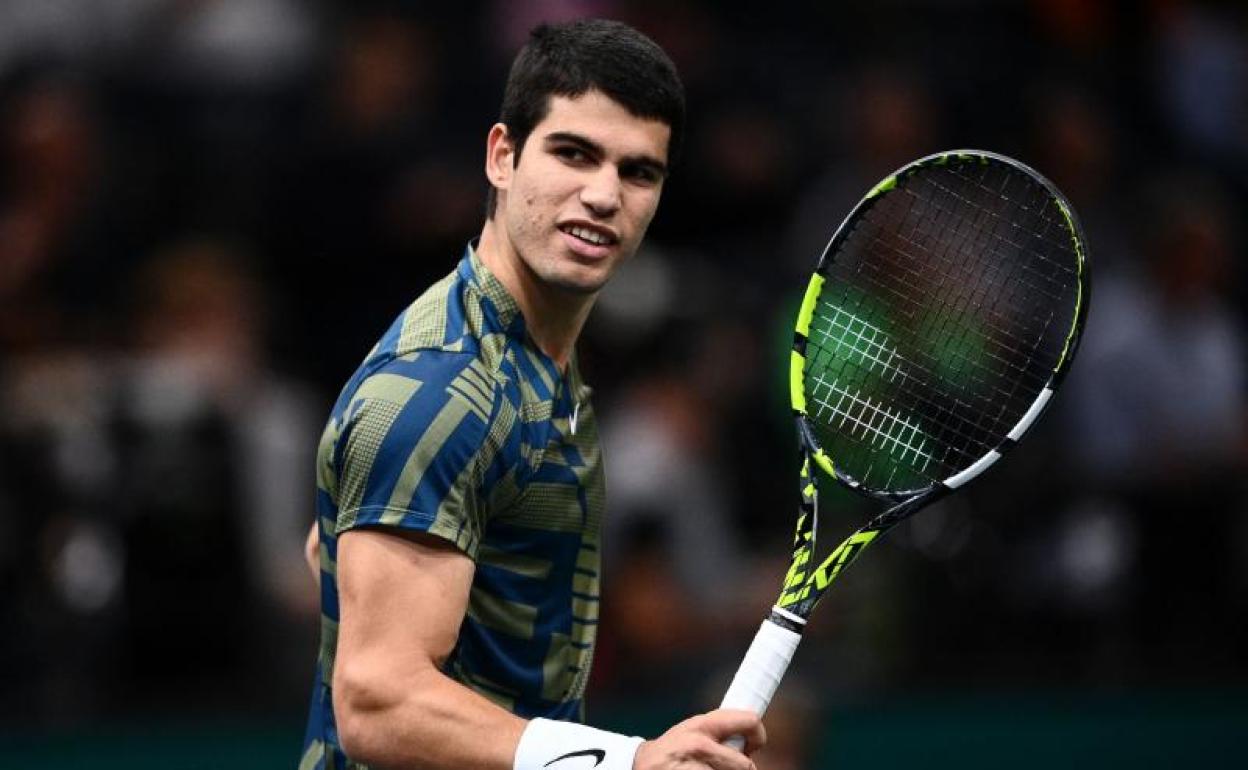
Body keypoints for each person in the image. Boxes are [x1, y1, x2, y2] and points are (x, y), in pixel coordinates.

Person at [299, 19, 766, 770]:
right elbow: (376, 702)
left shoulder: (532, 356)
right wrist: (627, 763)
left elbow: (334, 540)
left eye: (638, 171)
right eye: (574, 153)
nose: (604, 194)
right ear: (503, 157)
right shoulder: (440, 389)